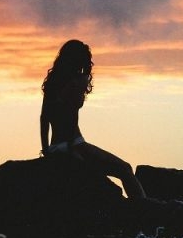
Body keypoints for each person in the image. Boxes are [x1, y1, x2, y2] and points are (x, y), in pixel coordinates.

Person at [40, 39, 146, 199]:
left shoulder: (53, 83)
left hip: (55, 146)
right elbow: (70, 118)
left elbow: (44, 118)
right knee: (125, 169)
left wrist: (46, 149)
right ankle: (144, 211)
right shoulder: (76, 82)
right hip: (74, 144)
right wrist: (72, 150)